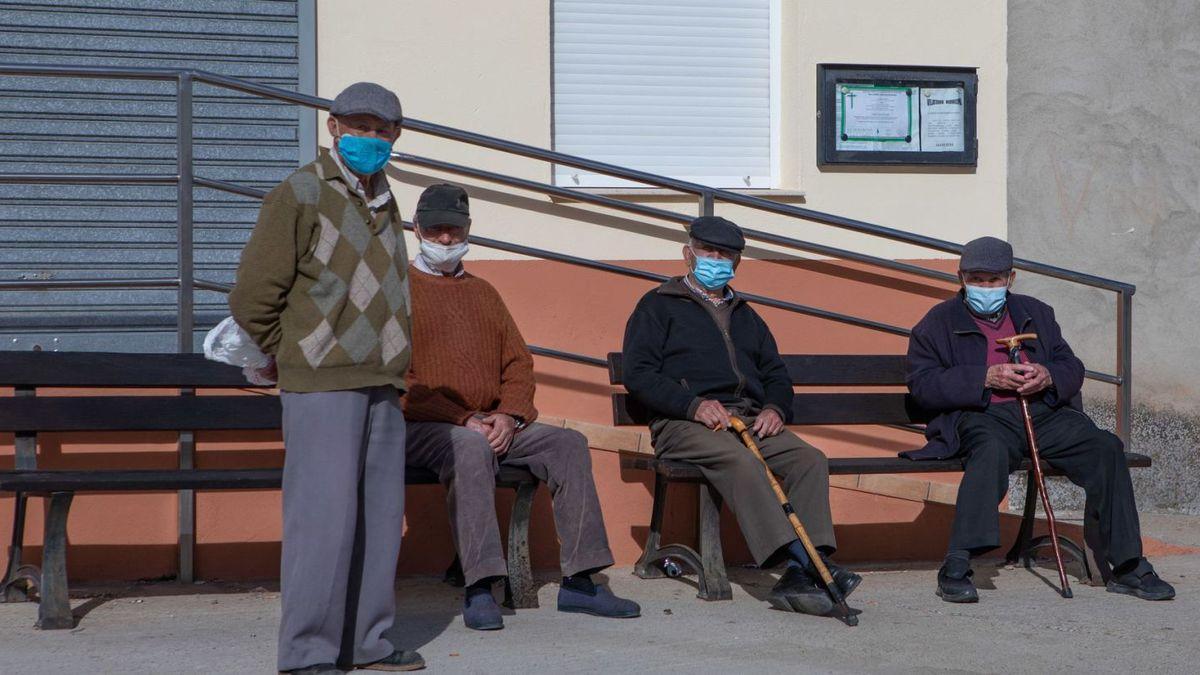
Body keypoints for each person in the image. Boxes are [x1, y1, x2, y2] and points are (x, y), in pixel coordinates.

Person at [230, 82, 425, 673]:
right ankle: (308, 653)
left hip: (383, 382)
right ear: (334, 127)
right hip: (321, 383)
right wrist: (285, 353)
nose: (370, 137)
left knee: (379, 521)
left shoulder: (387, 201)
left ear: (395, 136)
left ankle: (366, 643)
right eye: (359, 126)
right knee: (322, 521)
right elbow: (253, 296)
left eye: (382, 129)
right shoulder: (299, 193)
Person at [403, 183, 640, 630]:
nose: (447, 240)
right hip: (423, 426)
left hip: (491, 422)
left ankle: (582, 581)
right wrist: (463, 418)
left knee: (568, 443)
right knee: (468, 447)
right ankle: (480, 586)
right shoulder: (395, 290)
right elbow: (396, 379)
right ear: (417, 229)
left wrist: (509, 416)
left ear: (468, 230)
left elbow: (518, 362)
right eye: (436, 231)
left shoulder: (484, 292)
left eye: (454, 230)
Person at [905, 236, 1175, 604]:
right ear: (961, 277)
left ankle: (1127, 565)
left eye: (995, 279)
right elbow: (922, 385)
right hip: (981, 415)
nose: (986, 287)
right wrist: (985, 378)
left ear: (1011, 279)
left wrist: (1047, 375)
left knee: (1105, 447)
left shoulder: (1037, 313)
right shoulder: (936, 323)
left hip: (1042, 413)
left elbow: (1071, 366)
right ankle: (957, 563)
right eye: (977, 279)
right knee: (990, 451)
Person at [620, 215, 860, 616]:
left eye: (726, 254)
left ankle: (805, 570)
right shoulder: (657, 305)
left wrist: (774, 408)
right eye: (708, 251)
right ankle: (810, 566)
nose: (716, 259)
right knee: (741, 460)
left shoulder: (746, 314)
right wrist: (692, 405)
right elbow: (638, 374)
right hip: (682, 422)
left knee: (808, 459)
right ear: (688, 254)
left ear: (737, 263)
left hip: (746, 420)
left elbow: (776, 374)